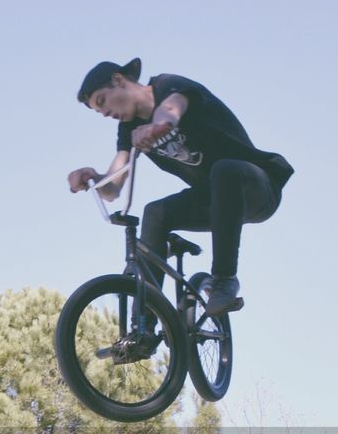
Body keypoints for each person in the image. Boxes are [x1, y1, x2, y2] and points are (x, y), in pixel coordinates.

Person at [67, 58, 292, 316]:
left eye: (102, 101)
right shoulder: (129, 129)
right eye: (98, 111)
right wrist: (95, 178)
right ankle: (144, 326)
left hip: (255, 189)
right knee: (155, 213)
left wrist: (158, 126)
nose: (105, 113)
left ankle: (224, 280)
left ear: (119, 80)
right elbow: (114, 187)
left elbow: (171, 111)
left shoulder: (169, 86)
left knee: (224, 170)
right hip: (213, 202)